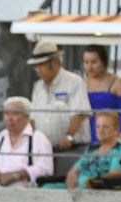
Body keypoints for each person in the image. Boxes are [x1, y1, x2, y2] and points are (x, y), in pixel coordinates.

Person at [27, 40, 91, 177]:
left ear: (54, 62)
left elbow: (78, 113)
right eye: (36, 66)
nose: (38, 70)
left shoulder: (74, 81)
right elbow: (33, 117)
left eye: (41, 65)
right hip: (44, 150)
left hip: (70, 150)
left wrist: (69, 136)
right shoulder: (38, 87)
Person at [0, 96, 55, 187]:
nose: (10, 118)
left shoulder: (38, 138)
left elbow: (46, 168)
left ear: (27, 117)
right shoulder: (1, 137)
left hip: (26, 194)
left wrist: (18, 175)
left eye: (15, 114)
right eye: (6, 114)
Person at [65, 111, 121, 189]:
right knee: (48, 188)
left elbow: (116, 174)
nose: (100, 130)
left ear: (116, 130)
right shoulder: (92, 148)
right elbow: (75, 169)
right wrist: (72, 175)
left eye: (105, 127)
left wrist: (94, 181)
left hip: (98, 191)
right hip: (76, 190)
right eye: (98, 126)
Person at [82, 44, 121, 143]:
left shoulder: (118, 83)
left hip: (110, 136)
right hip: (85, 136)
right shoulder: (80, 83)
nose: (90, 67)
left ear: (103, 62)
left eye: (94, 62)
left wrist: (120, 143)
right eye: (86, 62)